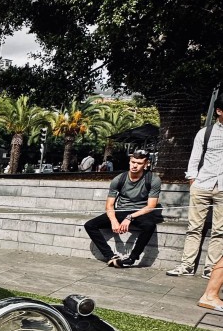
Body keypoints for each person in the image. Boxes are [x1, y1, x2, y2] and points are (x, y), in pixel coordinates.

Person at [166, 93, 223, 279]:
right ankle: (187, 266)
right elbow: (194, 159)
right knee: (193, 228)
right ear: (219, 111)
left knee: (220, 232)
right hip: (202, 185)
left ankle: (211, 269)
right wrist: (193, 181)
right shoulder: (205, 133)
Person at [83, 149, 161, 267]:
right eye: (133, 162)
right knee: (89, 225)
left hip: (140, 212)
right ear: (129, 161)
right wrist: (114, 220)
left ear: (146, 164)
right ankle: (110, 257)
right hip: (121, 210)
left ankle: (132, 258)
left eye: (139, 163)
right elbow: (109, 205)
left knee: (149, 226)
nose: (135, 165)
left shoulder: (153, 179)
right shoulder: (119, 179)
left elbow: (151, 206)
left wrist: (130, 217)